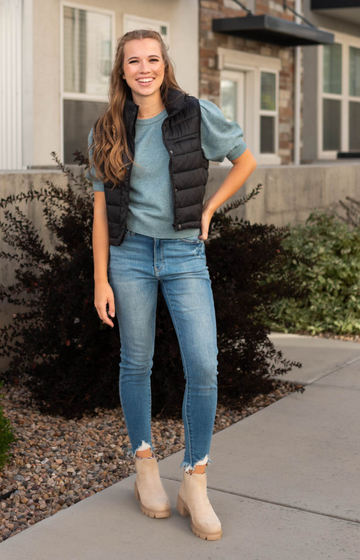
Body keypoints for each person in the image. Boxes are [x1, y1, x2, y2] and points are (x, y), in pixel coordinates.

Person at [86, 29, 256, 541]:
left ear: (164, 64)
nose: (144, 68)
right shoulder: (107, 129)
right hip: (130, 255)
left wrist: (209, 206)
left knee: (203, 364)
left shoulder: (193, 113)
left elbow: (244, 158)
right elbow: (98, 211)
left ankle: (195, 481)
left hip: (184, 254)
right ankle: (143, 467)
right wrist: (101, 280)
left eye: (153, 59)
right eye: (133, 61)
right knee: (136, 361)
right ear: (121, 70)